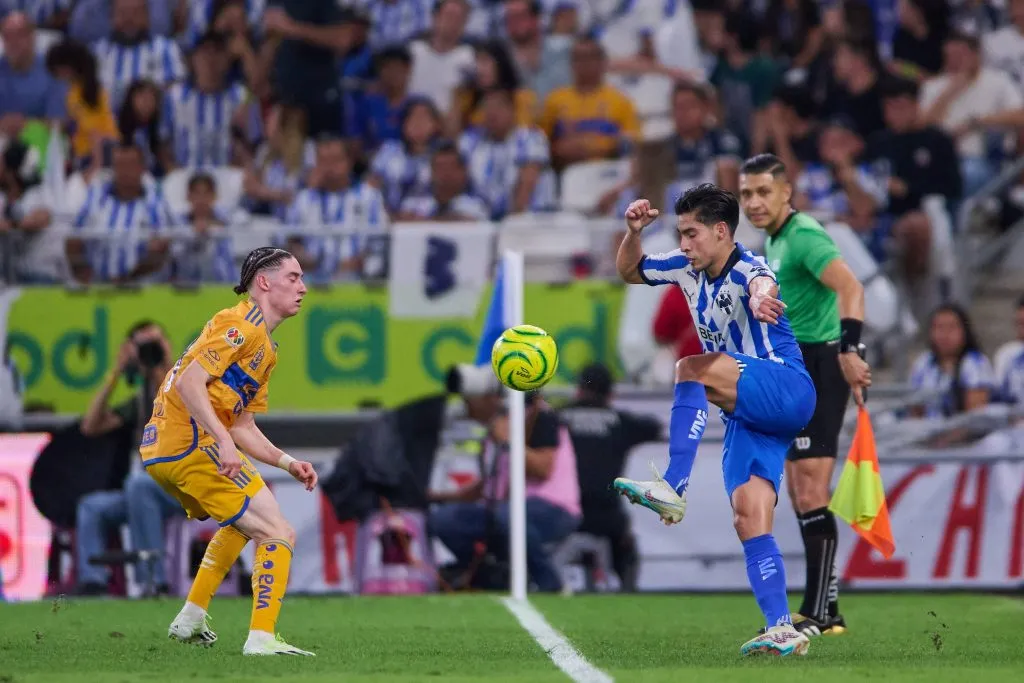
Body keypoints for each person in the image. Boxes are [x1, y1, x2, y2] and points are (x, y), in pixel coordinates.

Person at [612, 185, 815, 657]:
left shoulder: (749, 268)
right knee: (749, 516)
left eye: (692, 233)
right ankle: (782, 628)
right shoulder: (685, 268)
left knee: (690, 367)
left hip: (784, 386)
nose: (684, 244)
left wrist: (764, 297)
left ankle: (674, 485)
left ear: (721, 231)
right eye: (681, 234)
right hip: (749, 412)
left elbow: (763, 283)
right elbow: (628, 270)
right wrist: (633, 232)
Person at [140, 247, 318, 656]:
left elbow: (243, 426)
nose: (303, 288)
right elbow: (188, 382)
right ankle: (261, 637)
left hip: (171, 448)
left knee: (244, 521)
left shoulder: (266, 349)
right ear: (264, 282)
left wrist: (288, 463)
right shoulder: (238, 323)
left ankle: (190, 617)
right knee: (278, 531)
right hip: (187, 443)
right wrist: (221, 442)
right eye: (293, 277)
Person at [738, 153, 872, 637]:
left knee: (811, 488)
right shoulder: (774, 240)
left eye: (762, 192)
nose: (753, 202)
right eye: (746, 193)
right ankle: (827, 607)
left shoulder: (804, 236)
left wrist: (850, 349)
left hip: (821, 365)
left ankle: (817, 614)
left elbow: (851, 287)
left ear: (786, 193)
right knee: (800, 491)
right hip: (797, 368)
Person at [560, 363, 662, 592]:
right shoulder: (619, 422)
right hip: (607, 516)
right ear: (610, 393)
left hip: (565, 512)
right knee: (625, 549)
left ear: (578, 389)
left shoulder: (558, 418)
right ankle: (627, 593)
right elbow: (654, 427)